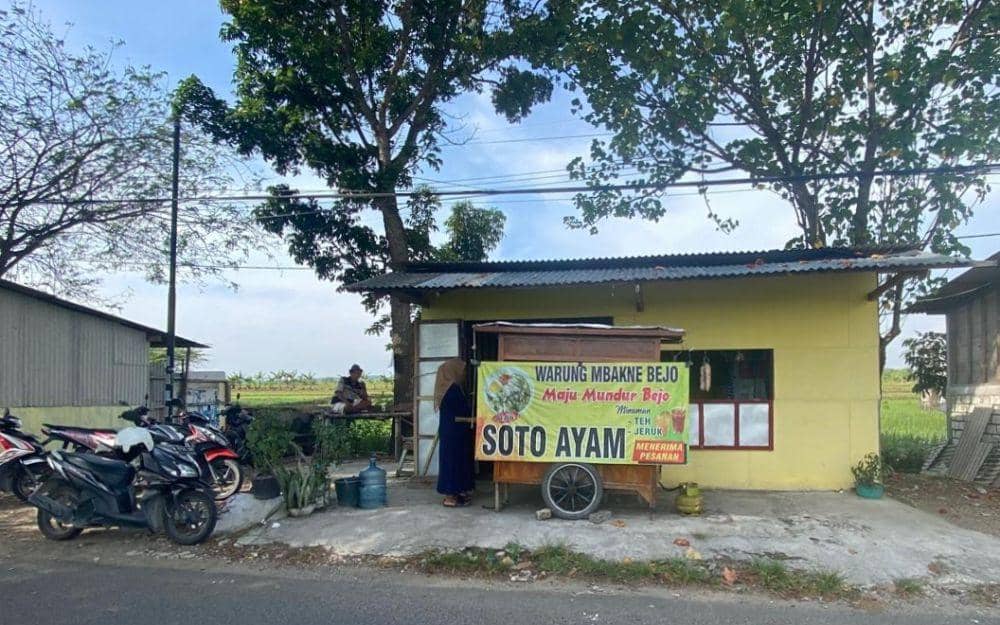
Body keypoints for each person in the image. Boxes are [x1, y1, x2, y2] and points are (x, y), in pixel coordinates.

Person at [434, 358, 474, 507]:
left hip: (454, 430)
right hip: (454, 431)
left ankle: (457, 492)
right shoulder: (452, 389)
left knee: (457, 461)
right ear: (453, 371)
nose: (463, 374)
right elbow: (462, 409)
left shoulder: (451, 387)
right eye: (461, 370)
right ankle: (450, 495)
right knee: (452, 462)